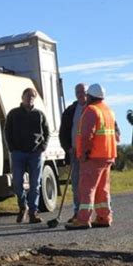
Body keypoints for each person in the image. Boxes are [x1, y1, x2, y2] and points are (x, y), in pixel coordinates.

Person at [65, 83, 117, 230]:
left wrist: (84, 154)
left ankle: (83, 219)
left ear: (90, 96)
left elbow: (87, 135)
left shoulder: (91, 111)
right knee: (102, 189)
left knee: (86, 188)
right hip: (107, 156)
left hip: (93, 157)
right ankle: (104, 217)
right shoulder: (108, 111)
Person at [5, 88, 50, 224]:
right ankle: (22, 206)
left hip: (35, 153)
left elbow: (46, 132)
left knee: (35, 184)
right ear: (22, 97)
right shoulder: (13, 113)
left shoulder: (39, 114)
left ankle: (33, 212)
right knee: (17, 183)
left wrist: (43, 147)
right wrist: (12, 148)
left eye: (32, 96)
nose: (30, 98)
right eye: (27, 96)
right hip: (18, 153)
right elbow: (7, 131)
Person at [59, 83, 88, 222]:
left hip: (92, 155)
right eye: (78, 92)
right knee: (76, 184)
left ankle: (90, 212)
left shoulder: (94, 109)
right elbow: (63, 132)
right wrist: (68, 148)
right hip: (75, 153)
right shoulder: (70, 110)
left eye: (83, 91)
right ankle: (77, 212)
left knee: (91, 184)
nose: (81, 94)